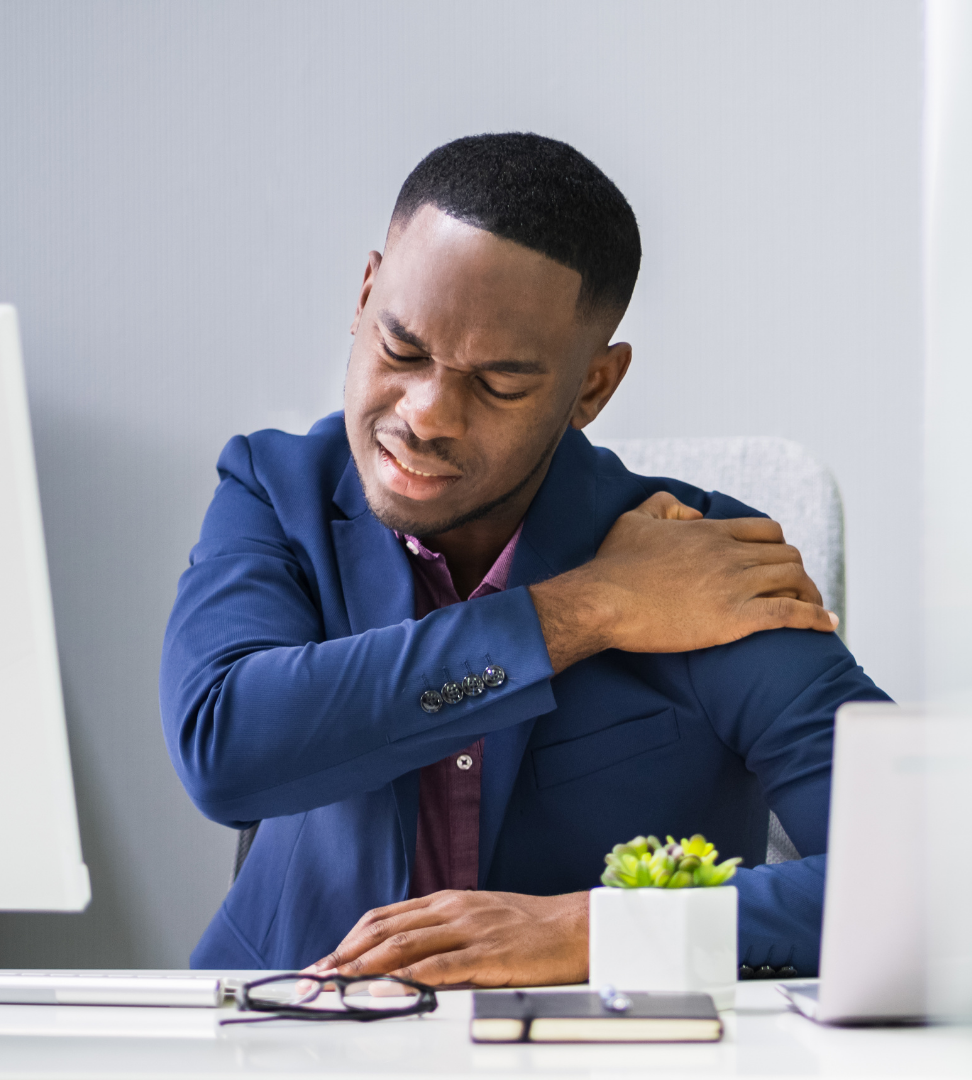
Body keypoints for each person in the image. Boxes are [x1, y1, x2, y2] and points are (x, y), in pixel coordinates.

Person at [160, 133, 888, 985]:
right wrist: (585, 610)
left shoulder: (700, 559)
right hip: (282, 1032)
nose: (427, 413)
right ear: (365, 295)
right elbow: (225, 749)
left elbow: (923, 877)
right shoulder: (276, 488)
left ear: (593, 388)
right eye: (402, 349)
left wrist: (596, 932)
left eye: (498, 384)